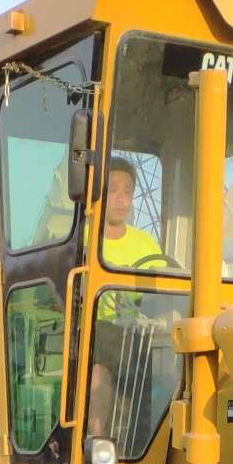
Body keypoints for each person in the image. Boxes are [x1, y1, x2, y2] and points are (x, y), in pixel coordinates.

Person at [90, 158, 160, 437]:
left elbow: (160, 290)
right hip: (96, 331)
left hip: (137, 333)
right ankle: (97, 441)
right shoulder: (85, 238)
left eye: (127, 192)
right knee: (99, 368)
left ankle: (149, 440)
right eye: (113, 190)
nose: (121, 199)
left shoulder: (146, 244)